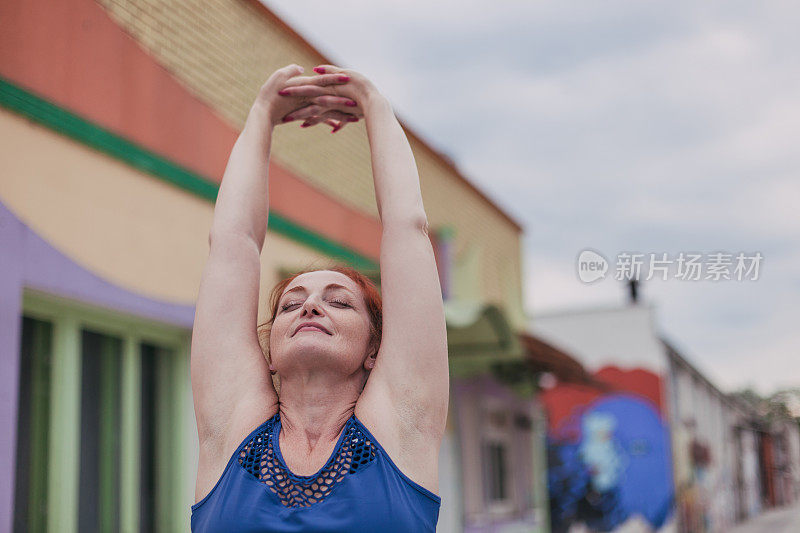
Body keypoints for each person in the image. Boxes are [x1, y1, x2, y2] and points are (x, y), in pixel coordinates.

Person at [189, 63, 449, 532]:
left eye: (340, 302)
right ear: (268, 355)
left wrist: (373, 103)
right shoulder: (232, 432)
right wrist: (262, 113)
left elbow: (406, 229)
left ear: (375, 350)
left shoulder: (399, 430)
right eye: (291, 304)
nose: (310, 307)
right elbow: (233, 242)